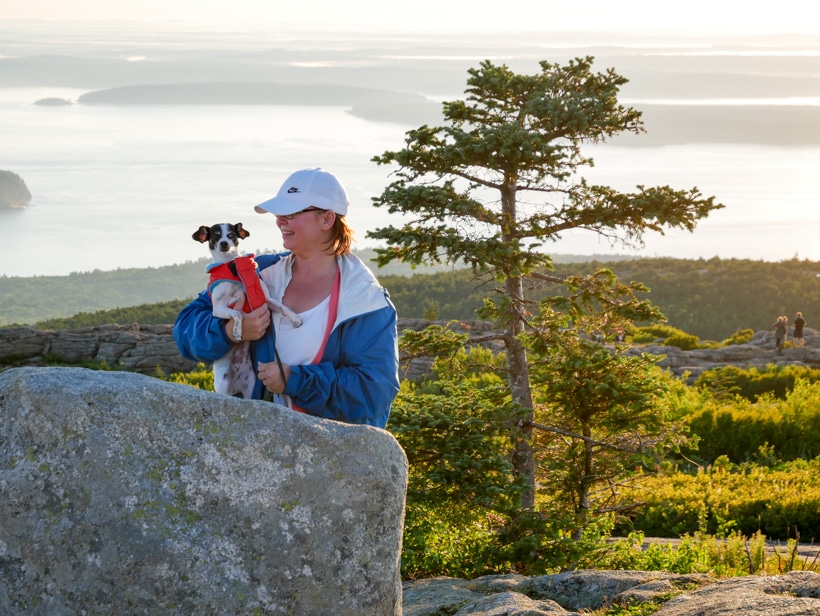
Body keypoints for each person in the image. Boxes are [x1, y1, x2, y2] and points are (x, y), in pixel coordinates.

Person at [173, 167, 400, 428]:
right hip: (257, 443)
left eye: (291, 213)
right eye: (279, 214)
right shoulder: (257, 271)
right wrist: (231, 331)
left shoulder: (365, 299)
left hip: (330, 456)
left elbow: (375, 391)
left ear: (327, 220)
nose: (280, 221)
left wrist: (294, 379)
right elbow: (185, 329)